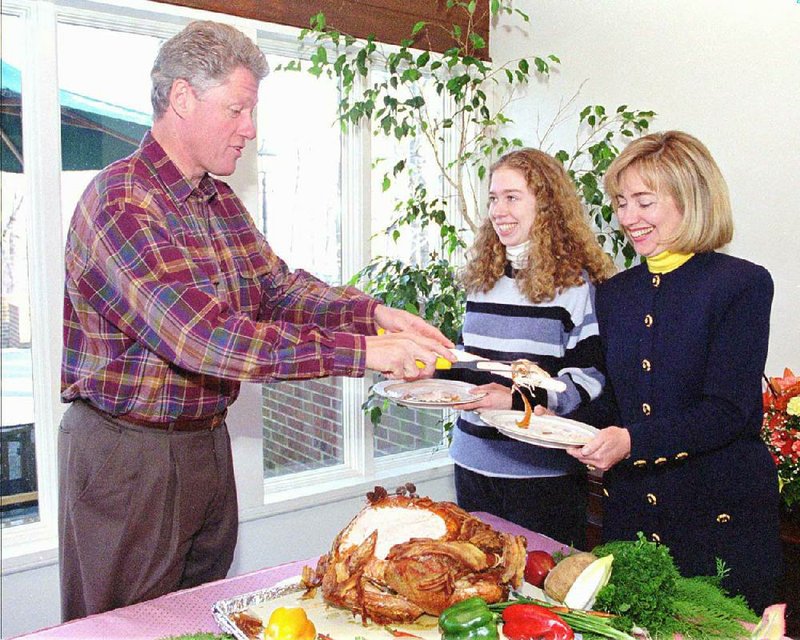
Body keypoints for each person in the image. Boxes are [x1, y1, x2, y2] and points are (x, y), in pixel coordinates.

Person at [58, 20, 453, 621]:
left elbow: (276, 288)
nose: (250, 129)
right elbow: (203, 338)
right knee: (129, 628)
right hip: (127, 455)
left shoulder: (217, 202)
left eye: (253, 111)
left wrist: (372, 314)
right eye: (238, 108)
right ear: (183, 98)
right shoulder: (122, 201)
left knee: (198, 617)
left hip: (203, 444)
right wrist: (362, 353)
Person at [567, 130, 782, 612]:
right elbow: (618, 399)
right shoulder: (617, 291)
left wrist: (630, 442)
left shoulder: (742, 284)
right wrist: (565, 422)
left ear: (691, 198)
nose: (627, 218)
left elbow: (727, 411)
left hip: (718, 514)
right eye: (621, 202)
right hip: (635, 509)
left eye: (644, 202)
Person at [441, 148, 616, 549]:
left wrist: (516, 398)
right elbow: (472, 364)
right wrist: (428, 368)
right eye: (493, 198)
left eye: (512, 197)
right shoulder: (481, 279)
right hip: (471, 461)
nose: (498, 210)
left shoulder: (575, 285)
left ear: (547, 205)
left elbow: (587, 379)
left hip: (540, 478)